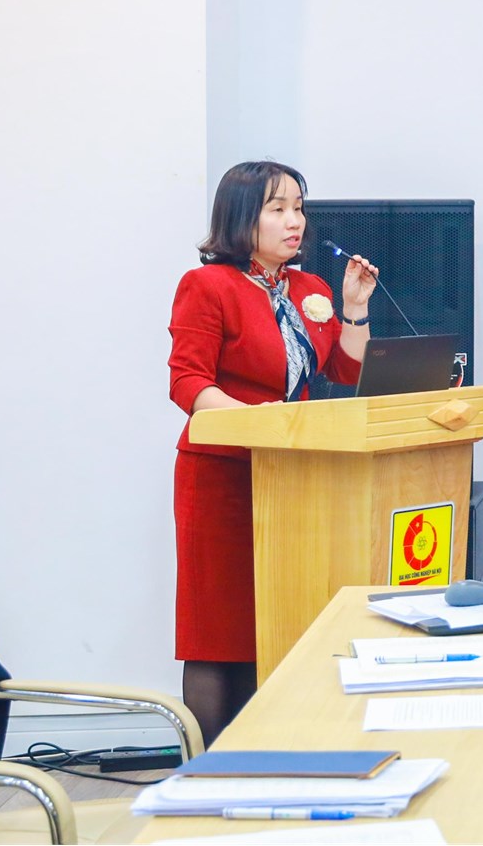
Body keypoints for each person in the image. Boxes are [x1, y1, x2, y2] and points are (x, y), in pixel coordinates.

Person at [166, 161, 379, 740]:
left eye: (299, 208)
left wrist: (355, 307)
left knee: (276, 619)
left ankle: (267, 753)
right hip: (223, 479)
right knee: (219, 632)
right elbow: (187, 382)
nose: (295, 221)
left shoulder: (310, 289)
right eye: (278, 208)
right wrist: (259, 423)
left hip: (291, 475)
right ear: (243, 218)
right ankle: (209, 770)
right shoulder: (208, 286)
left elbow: (346, 370)